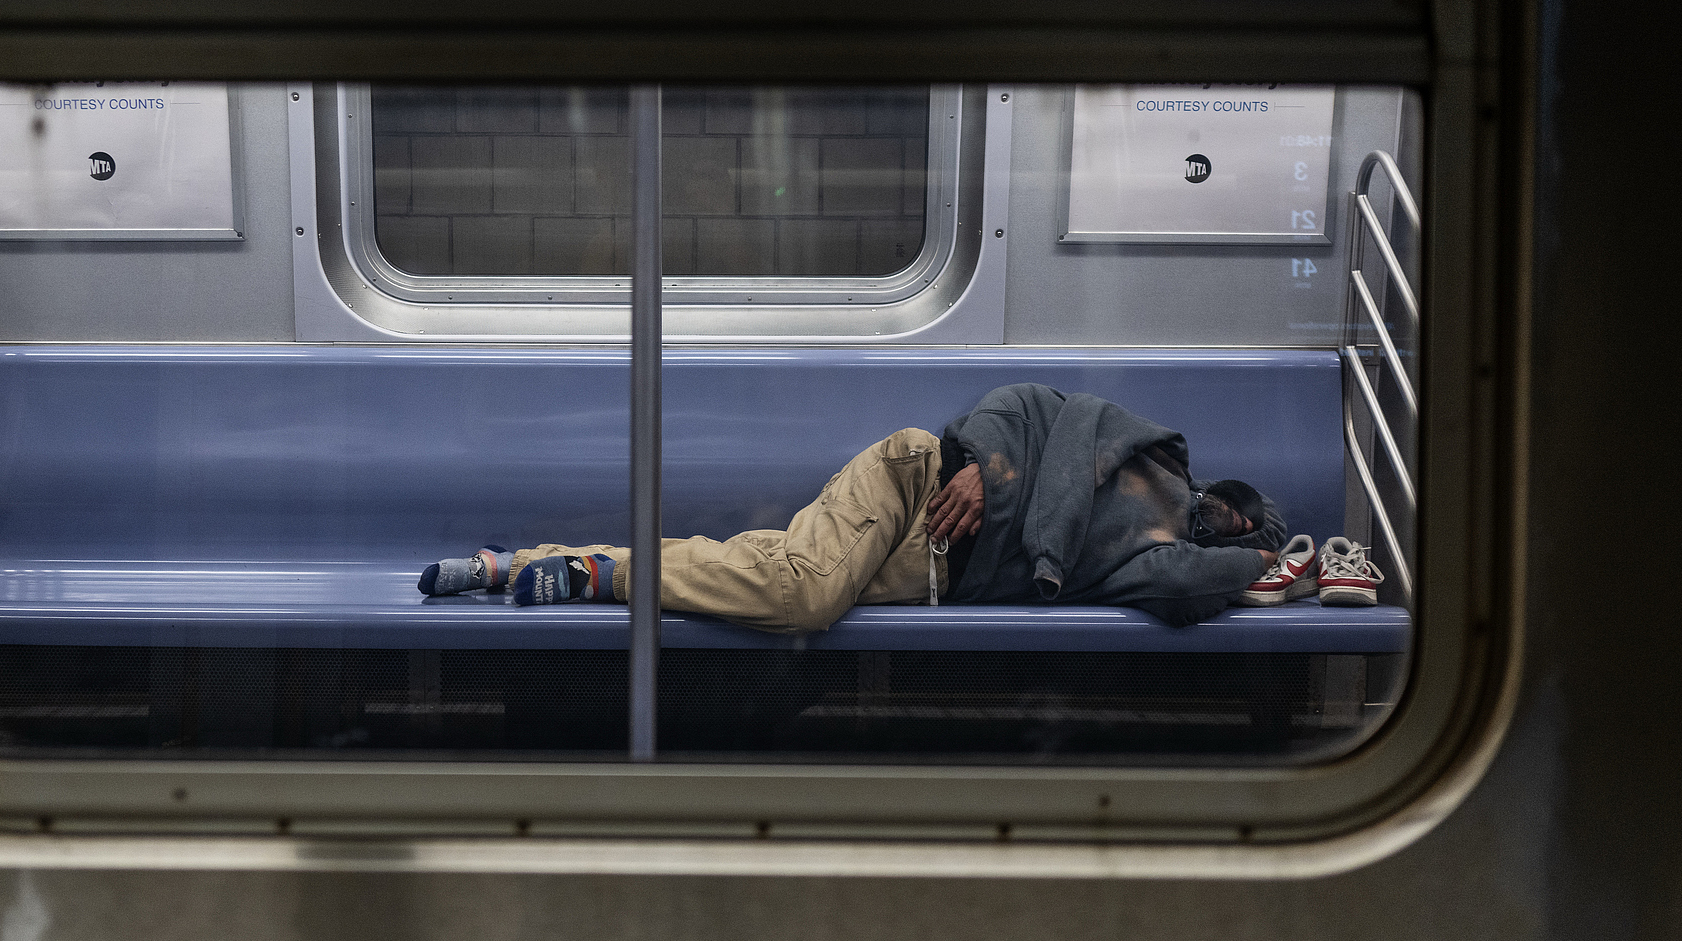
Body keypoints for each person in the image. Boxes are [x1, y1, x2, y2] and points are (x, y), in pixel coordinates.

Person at [418, 383, 1290, 632]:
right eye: (1226, 513)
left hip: (934, 568)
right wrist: (994, 468)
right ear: (1213, 489)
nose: (1215, 526)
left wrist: (1268, 567)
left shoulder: (1153, 561)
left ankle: (522, 563)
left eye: (1240, 537)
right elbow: (1031, 410)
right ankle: (596, 577)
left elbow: (1185, 590)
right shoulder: (1143, 450)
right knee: (804, 597)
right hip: (914, 478)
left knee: (757, 565)